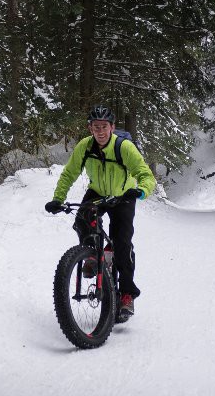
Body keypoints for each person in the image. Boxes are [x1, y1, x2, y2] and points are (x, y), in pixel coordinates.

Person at [45, 105, 156, 320]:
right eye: (96, 127)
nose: (101, 131)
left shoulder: (124, 147)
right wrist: (58, 199)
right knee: (82, 219)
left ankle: (126, 295)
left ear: (112, 127)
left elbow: (145, 174)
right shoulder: (85, 147)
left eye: (104, 126)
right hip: (97, 192)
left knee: (121, 243)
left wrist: (140, 191)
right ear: (90, 129)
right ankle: (94, 256)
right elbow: (69, 173)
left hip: (123, 196)